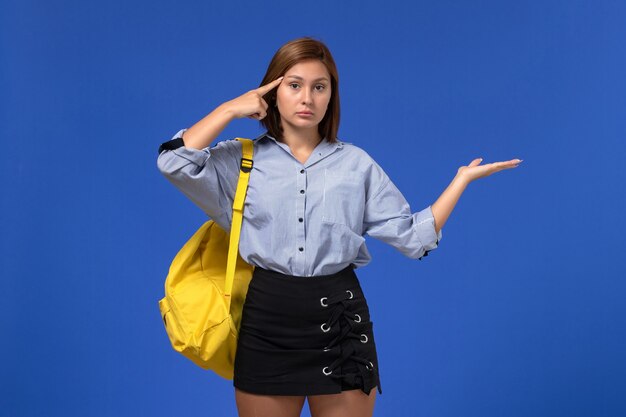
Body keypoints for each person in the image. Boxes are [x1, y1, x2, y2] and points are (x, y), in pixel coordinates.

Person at [157, 36, 522, 417]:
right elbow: (174, 162)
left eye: (320, 87)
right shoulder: (240, 159)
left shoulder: (356, 164)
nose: (307, 98)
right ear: (272, 91)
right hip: (267, 321)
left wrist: (460, 180)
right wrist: (229, 108)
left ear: (332, 95)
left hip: (340, 320)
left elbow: (414, 239)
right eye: (294, 85)